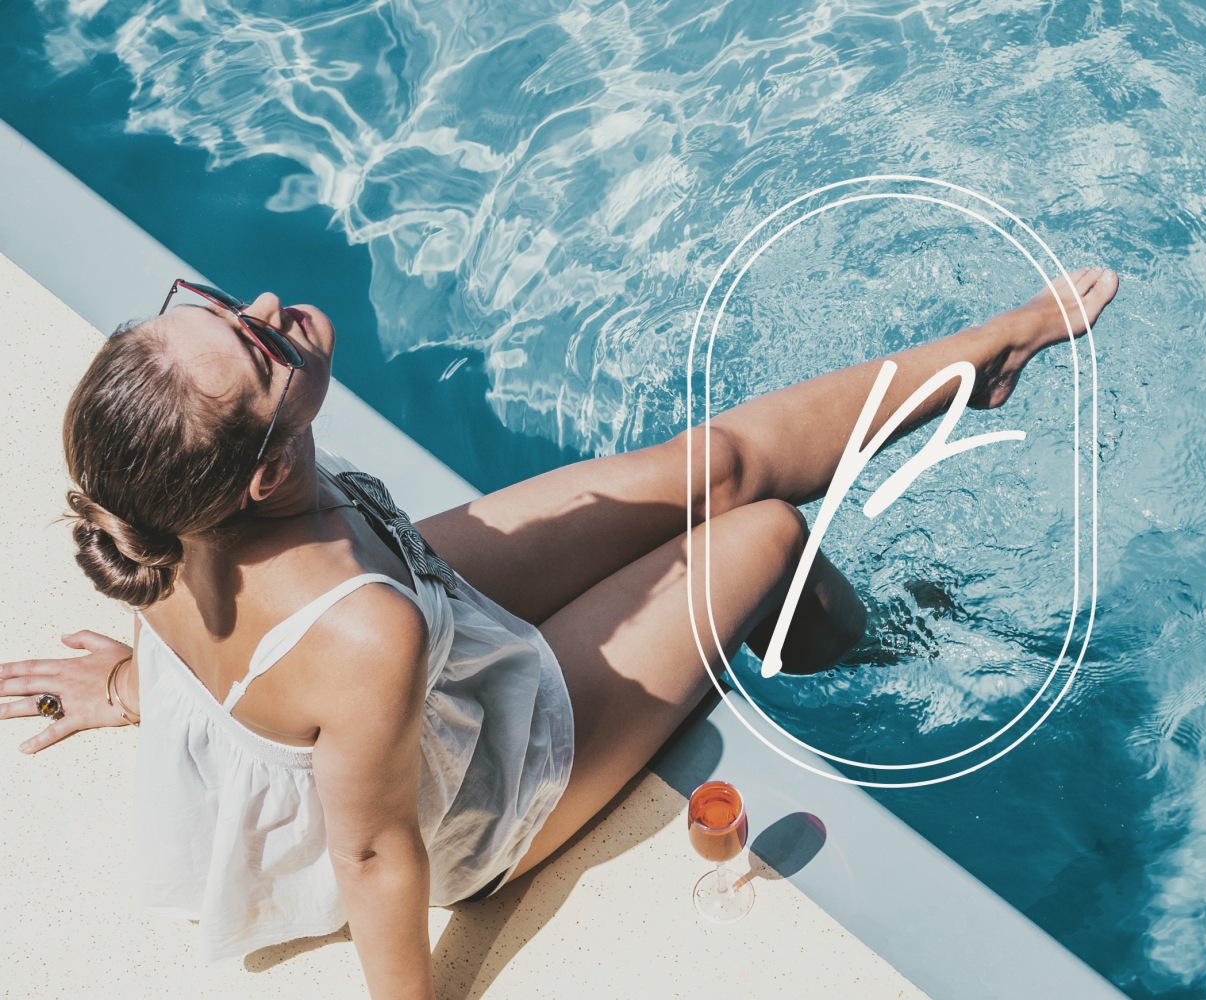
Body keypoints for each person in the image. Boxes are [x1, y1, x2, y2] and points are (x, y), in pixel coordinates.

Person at [1, 267, 1118, 998]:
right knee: (767, 532)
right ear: (265, 472)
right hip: (486, 787)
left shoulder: (147, 498)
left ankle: (982, 358)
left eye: (215, 307)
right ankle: (881, 655)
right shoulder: (360, 636)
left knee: (714, 466)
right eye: (258, 346)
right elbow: (375, 856)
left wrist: (137, 689)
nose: (265, 305)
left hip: (424, 611)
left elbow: (212, 654)